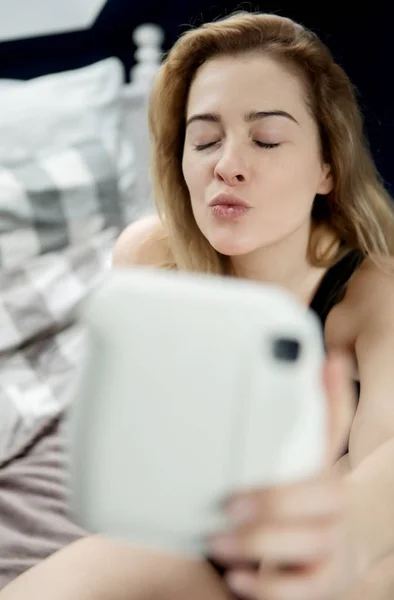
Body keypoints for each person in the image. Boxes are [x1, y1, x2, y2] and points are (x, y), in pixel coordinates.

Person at [2, 10, 394, 600]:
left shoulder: (373, 290)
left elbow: (384, 472)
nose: (225, 165)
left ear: (327, 167)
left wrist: (334, 528)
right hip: (194, 547)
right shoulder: (151, 256)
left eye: (265, 139)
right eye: (204, 139)